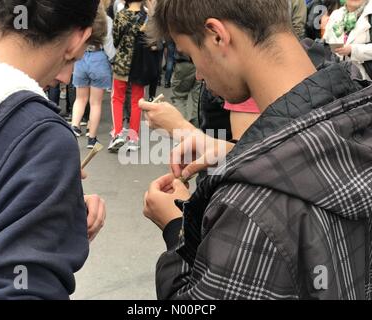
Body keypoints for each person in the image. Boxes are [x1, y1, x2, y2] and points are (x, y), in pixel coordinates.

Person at [143, 0, 371, 299]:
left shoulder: (249, 207)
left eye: (190, 55)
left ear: (216, 35)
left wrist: (177, 228)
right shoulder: (356, 110)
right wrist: (235, 153)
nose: (198, 74)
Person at [0, 0, 106, 299]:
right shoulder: (40, 137)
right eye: (72, 61)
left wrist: (39, 203)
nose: (65, 77)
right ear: (77, 40)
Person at [108, 0, 147, 153]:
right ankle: (133, 138)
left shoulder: (121, 15)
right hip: (140, 63)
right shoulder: (147, 17)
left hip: (123, 63)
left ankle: (117, 133)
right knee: (137, 101)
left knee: (117, 98)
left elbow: (116, 40)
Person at [71, 2, 108, 149]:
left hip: (82, 57)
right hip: (98, 58)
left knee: (80, 99)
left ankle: (74, 127)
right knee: (95, 103)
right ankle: (92, 139)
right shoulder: (105, 22)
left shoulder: (81, 18)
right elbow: (109, 44)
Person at [324, 0, 372, 80]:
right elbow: (326, 43)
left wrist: (353, 50)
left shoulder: (369, 14)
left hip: (364, 81)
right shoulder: (336, 15)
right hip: (337, 77)